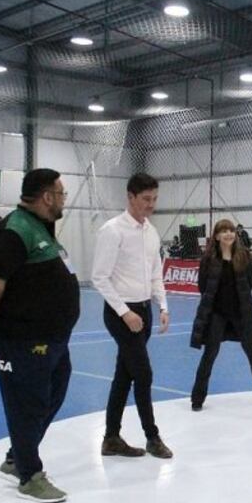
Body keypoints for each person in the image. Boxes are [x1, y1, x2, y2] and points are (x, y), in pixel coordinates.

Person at [0, 168, 80, 503]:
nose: (63, 199)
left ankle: (15, 456)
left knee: (54, 393)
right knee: (27, 405)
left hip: (51, 338)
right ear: (47, 197)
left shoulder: (39, 227)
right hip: (21, 339)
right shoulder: (17, 231)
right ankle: (29, 474)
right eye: (61, 193)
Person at [91, 172, 174, 459]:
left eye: (155, 199)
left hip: (144, 312)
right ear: (130, 197)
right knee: (143, 374)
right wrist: (125, 313)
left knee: (123, 377)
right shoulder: (112, 231)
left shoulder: (151, 232)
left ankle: (111, 437)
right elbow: (99, 278)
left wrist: (162, 307)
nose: (151, 204)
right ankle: (153, 437)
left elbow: (155, 275)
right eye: (146, 199)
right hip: (120, 314)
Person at [189, 219, 252, 410]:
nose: (228, 234)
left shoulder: (245, 258)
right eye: (224, 231)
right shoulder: (208, 260)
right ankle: (197, 398)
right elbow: (203, 288)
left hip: (240, 313)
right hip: (217, 314)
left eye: (231, 230)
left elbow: (248, 285)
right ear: (217, 236)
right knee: (210, 354)